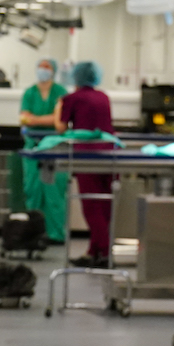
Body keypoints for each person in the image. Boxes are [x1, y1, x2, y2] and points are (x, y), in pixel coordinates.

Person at [55, 60, 115, 268]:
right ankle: (94, 251)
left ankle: (106, 253)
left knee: (91, 206)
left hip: (87, 157)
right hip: (110, 156)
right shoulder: (103, 97)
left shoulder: (72, 98)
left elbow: (61, 128)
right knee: (105, 205)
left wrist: (58, 107)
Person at [15, 57, 69, 243]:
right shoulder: (30, 92)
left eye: (46, 67)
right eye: (40, 66)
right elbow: (24, 118)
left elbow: (59, 120)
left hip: (55, 146)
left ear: (53, 70)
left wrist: (34, 119)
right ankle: (33, 233)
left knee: (55, 191)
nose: (42, 70)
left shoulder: (61, 92)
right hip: (33, 146)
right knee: (32, 188)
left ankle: (55, 234)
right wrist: (49, 119)